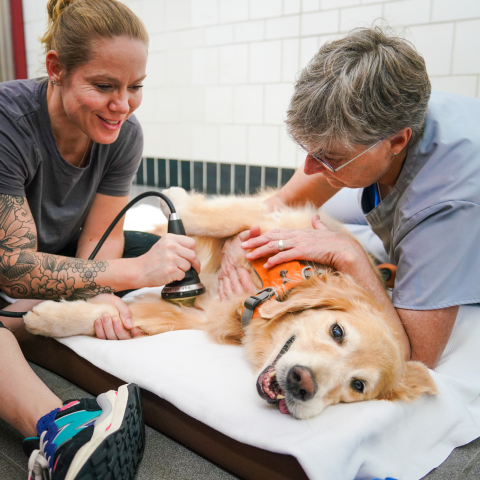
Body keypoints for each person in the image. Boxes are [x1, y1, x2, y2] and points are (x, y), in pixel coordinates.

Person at [0, 0, 200, 477]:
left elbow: (100, 238)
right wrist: (131, 274)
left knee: (155, 251)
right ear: (56, 69)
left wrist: (100, 293)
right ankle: (62, 431)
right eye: (105, 86)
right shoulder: (8, 122)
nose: (123, 105)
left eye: (135, 88)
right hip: (11, 262)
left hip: (58, 256)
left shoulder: (123, 134)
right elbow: (13, 267)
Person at [217, 26, 480, 371]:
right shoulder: (398, 105)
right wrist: (240, 238)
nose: (310, 168)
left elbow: (413, 357)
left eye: (331, 158)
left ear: (397, 142)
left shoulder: (445, 204)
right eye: (309, 151)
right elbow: (281, 203)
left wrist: (349, 254)